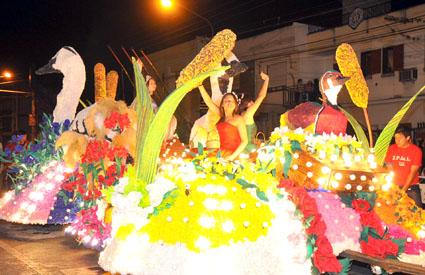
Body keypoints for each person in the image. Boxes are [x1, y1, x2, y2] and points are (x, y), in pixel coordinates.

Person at [198, 85, 248, 161]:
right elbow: (208, 102)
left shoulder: (238, 119)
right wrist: (200, 86)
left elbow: (245, 141)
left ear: (235, 105)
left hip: (235, 154)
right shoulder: (221, 116)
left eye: (231, 101)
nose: (229, 103)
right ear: (222, 105)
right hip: (222, 152)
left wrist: (232, 157)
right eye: (226, 101)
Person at [385, 126, 423, 208]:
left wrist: (402, 191)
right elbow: (389, 166)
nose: (397, 141)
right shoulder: (392, 148)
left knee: (417, 212)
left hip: (411, 186)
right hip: (394, 186)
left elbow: (412, 173)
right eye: (395, 138)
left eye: (400, 138)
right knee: (392, 211)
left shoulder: (416, 151)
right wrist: (393, 186)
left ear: (408, 138)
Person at [239, 71, 269, 153]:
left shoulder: (241, 115)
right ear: (248, 104)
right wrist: (266, 79)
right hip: (248, 148)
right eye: (252, 102)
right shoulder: (248, 113)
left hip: (242, 147)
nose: (254, 103)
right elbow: (261, 96)